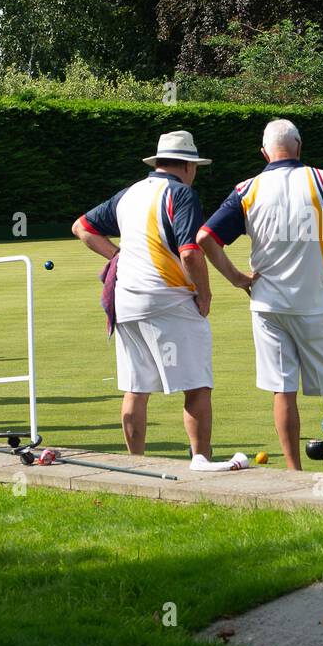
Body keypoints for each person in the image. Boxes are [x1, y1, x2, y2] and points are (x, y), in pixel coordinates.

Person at [198, 120, 323, 475]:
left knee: (282, 390)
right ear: (299, 146)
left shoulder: (247, 189)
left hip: (268, 305)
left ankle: (294, 474)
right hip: (316, 302)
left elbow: (206, 237)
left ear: (264, 152)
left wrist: (238, 278)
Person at [72, 130, 215, 459]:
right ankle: (201, 461)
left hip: (127, 299)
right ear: (189, 166)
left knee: (136, 388)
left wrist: (117, 256)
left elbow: (82, 227)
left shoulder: (130, 193)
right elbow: (191, 252)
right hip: (170, 300)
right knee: (196, 385)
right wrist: (204, 295)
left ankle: (137, 463)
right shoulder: (181, 194)